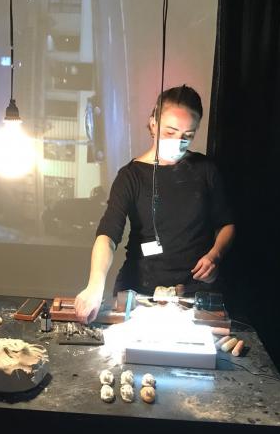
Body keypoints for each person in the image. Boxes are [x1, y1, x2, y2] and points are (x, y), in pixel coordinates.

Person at [74, 85, 235, 323]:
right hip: (139, 292)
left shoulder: (205, 170)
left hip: (194, 292)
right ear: (153, 124)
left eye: (188, 135)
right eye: (170, 132)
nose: (178, 142)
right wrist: (94, 285)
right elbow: (108, 235)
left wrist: (215, 255)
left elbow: (226, 224)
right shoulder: (131, 176)